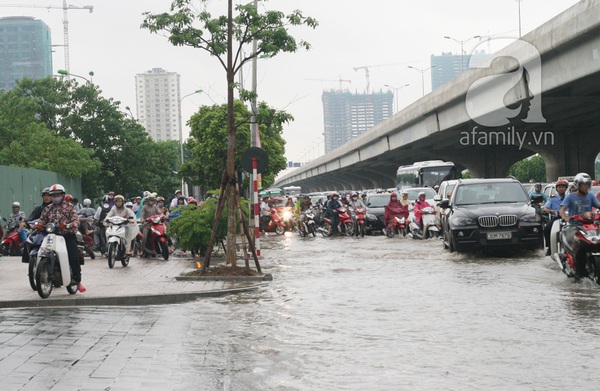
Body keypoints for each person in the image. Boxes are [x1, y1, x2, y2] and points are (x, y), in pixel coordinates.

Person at [38, 184, 85, 292]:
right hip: (50, 236)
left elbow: (76, 221)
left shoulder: (70, 207)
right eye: (53, 195)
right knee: (40, 250)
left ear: (62, 195)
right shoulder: (48, 208)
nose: (55, 197)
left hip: (67, 236)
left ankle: (78, 282)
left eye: (58, 195)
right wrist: (38, 225)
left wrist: (68, 225)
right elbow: (42, 220)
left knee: (73, 257)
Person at [560, 173, 600, 250]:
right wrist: (565, 217)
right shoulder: (570, 196)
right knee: (574, 239)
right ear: (578, 185)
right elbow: (562, 209)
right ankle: (575, 258)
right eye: (583, 184)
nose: (585, 186)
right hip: (574, 225)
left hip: (590, 224)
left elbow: (598, 206)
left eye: (587, 184)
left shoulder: (591, 196)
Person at [542, 179, 568, 256]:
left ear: (566, 188)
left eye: (563, 187)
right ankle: (550, 248)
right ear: (556, 188)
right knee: (547, 229)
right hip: (557, 218)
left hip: (568, 218)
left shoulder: (569, 197)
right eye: (559, 187)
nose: (561, 188)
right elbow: (545, 207)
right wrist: (549, 210)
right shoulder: (553, 198)